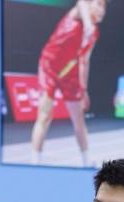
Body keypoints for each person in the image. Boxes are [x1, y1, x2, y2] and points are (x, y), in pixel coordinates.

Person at [31, 0, 107, 167]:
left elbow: (85, 61)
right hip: (49, 67)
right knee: (44, 116)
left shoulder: (94, 33)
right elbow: (81, 3)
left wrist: (84, 89)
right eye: (99, 4)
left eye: (104, 7)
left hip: (70, 72)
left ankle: (86, 161)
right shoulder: (78, 14)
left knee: (79, 119)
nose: (102, 10)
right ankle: (35, 162)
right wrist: (87, 23)